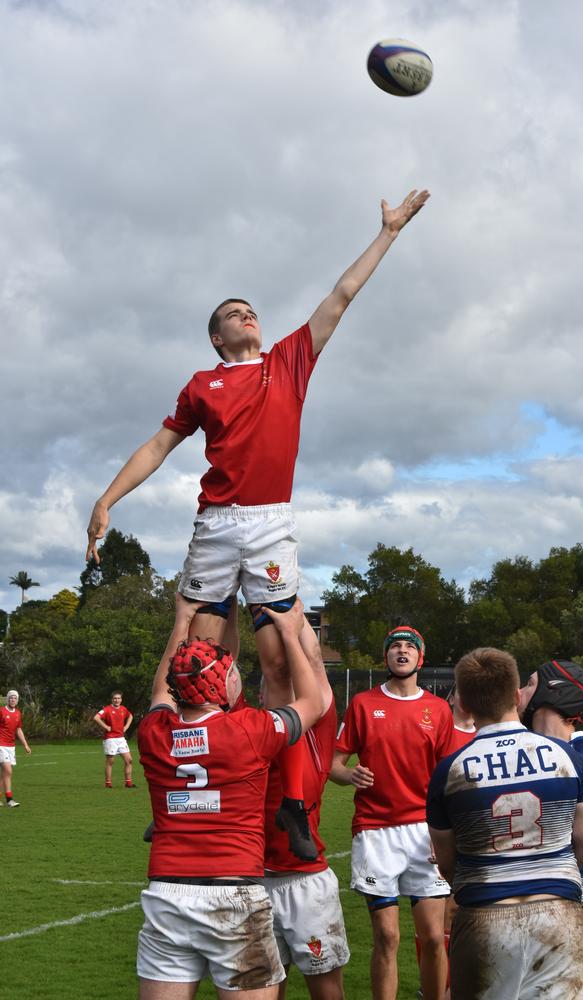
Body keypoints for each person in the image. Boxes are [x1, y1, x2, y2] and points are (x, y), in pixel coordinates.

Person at [85, 191, 429, 859]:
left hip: (270, 526)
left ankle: (294, 804)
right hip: (215, 526)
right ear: (217, 338)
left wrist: (387, 233)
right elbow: (157, 446)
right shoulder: (201, 386)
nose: (246, 314)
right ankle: (169, 800)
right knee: (191, 663)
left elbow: (342, 294)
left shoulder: (290, 360)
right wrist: (108, 499)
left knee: (280, 664)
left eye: (251, 310)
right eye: (231, 314)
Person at [136, 597, 324, 999]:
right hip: (232, 892)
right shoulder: (249, 731)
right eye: (232, 670)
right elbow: (313, 703)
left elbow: (159, 692)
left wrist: (184, 619)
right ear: (222, 684)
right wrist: (290, 634)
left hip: (166, 892)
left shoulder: (154, 733)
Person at [427, 647, 583, 1000]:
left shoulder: (450, 770)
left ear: (462, 702)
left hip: (485, 915)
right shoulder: (565, 755)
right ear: (516, 695)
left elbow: (447, 864)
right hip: (558, 912)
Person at [330, 626, 454, 1000]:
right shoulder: (363, 704)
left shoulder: (438, 709)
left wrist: (448, 834)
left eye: (409, 647)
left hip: (424, 832)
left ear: (421, 658)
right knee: (387, 936)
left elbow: (449, 778)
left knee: (433, 936)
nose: (402, 652)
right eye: (395, 647)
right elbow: (334, 765)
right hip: (375, 831)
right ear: (385, 657)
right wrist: (349, 774)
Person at [263, 619, 349, 999]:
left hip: (305, 883)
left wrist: (290, 618)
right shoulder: (246, 736)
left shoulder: (317, 737)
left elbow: (313, 662)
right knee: (263, 989)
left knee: (327, 991)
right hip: (250, 882)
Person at [518, 659, 583, 988]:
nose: (520, 691)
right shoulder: (523, 746)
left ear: (551, 692)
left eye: (528, 683)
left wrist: (547, 863)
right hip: (525, 893)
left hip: (570, 895)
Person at [93, 691, 135, 788]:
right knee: (110, 761)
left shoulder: (123, 709)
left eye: (119, 698)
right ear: (112, 699)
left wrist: (126, 727)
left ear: (121, 699)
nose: (117, 700)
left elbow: (130, 716)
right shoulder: (107, 709)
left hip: (121, 739)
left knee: (129, 760)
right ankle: (108, 783)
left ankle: (128, 783)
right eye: (115, 698)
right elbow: (96, 717)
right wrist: (106, 727)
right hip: (110, 739)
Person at [0, 689, 31, 807]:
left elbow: (18, 730)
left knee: (5, 774)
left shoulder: (18, 713)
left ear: (17, 701)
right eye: (11, 697)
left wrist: (25, 745)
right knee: (8, 771)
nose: (13, 699)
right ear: (7, 699)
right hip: (1, 745)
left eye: (15, 698)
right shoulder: (1, 711)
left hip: (11, 746)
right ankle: (9, 800)